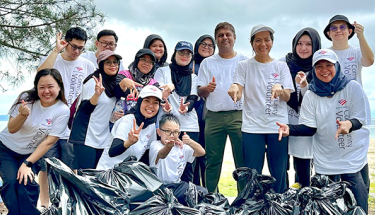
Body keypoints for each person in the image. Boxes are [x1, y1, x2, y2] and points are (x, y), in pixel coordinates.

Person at [277, 49, 370, 213]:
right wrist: (289, 129)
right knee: (327, 206)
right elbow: (309, 127)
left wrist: (348, 124)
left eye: (329, 65)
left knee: (358, 202)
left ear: (337, 66)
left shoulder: (352, 87)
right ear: (313, 70)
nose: (324, 69)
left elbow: (360, 118)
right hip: (325, 158)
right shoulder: (311, 94)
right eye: (319, 66)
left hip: (351, 156)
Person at [228, 24, 294, 193]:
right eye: (258, 40)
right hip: (252, 127)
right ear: (252, 43)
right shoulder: (244, 65)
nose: (263, 44)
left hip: (277, 127)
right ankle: (253, 207)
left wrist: (280, 90)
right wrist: (234, 89)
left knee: (278, 173)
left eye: (267, 39)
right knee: (252, 174)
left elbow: (288, 96)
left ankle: (279, 206)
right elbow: (238, 86)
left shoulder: (281, 66)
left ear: (272, 42)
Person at [37, 27, 95, 210]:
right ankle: (45, 204)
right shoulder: (54, 60)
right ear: (66, 43)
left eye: (81, 48)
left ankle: (70, 202)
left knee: (72, 168)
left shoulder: (88, 65)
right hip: (50, 122)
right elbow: (39, 76)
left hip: (73, 127)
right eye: (73, 46)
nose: (76, 51)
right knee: (45, 167)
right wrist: (56, 51)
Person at [0, 69, 69, 215]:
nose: (46, 91)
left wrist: (27, 164)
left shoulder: (62, 110)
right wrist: (22, 116)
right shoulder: (26, 98)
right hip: (6, 148)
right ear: (36, 87)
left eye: (50, 86)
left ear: (59, 86)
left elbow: (49, 142)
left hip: (30, 153)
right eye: (41, 87)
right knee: (11, 183)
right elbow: (11, 129)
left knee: (26, 183)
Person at [324, 14, 373, 194]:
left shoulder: (356, 51)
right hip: (332, 110)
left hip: (355, 110)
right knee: (335, 154)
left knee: (358, 157)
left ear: (350, 31)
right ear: (329, 33)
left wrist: (361, 36)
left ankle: (360, 200)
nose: (338, 31)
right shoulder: (326, 54)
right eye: (334, 28)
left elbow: (369, 61)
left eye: (342, 27)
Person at [197, 22, 247, 193]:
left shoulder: (245, 61)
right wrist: (206, 89)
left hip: (238, 115)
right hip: (214, 116)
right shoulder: (207, 63)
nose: (224, 38)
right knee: (212, 160)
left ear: (234, 38)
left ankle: (244, 198)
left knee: (241, 161)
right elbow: (200, 91)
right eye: (220, 35)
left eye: (228, 34)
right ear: (216, 40)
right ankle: (211, 196)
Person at [280, 27, 321, 187]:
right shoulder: (283, 62)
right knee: (281, 168)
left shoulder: (320, 66)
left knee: (303, 171)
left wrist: (304, 86)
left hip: (305, 126)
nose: (303, 48)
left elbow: (318, 98)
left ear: (316, 45)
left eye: (309, 44)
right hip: (283, 121)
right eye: (300, 43)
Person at [154, 41, 199, 183]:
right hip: (167, 126)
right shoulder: (163, 71)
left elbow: (193, 97)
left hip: (189, 125)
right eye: (181, 52)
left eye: (188, 53)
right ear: (175, 53)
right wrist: (164, 98)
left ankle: (186, 199)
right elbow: (157, 93)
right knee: (164, 162)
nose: (184, 56)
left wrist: (187, 107)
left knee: (187, 168)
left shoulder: (193, 77)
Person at [69, 50, 122, 169]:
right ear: (101, 64)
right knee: (85, 177)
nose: (112, 65)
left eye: (115, 62)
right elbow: (84, 109)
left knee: (97, 178)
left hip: (103, 137)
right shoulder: (93, 81)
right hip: (86, 137)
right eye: (108, 62)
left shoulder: (114, 84)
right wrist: (96, 95)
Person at [96, 85, 162, 170]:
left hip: (128, 176)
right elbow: (112, 151)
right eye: (147, 101)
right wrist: (129, 142)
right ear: (139, 102)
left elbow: (148, 154)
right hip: (108, 173)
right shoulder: (128, 120)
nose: (150, 106)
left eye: (155, 103)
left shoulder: (151, 125)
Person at [149, 113, 206, 205]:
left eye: (175, 132)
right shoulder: (155, 145)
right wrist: (168, 147)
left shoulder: (181, 147)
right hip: (160, 187)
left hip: (177, 185)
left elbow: (201, 152)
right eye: (168, 131)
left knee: (202, 192)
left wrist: (190, 142)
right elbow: (161, 155)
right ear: (159, 132)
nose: (172, 135)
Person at [191, 34, 215, 186]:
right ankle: (194, 189)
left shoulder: (216, 64)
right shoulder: (189, 64)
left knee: (208, 156)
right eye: (203, 44)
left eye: (210, 45)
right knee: (192, 154)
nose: (206, 47)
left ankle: (209, 191)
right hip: (192, 114)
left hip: (210, 116)